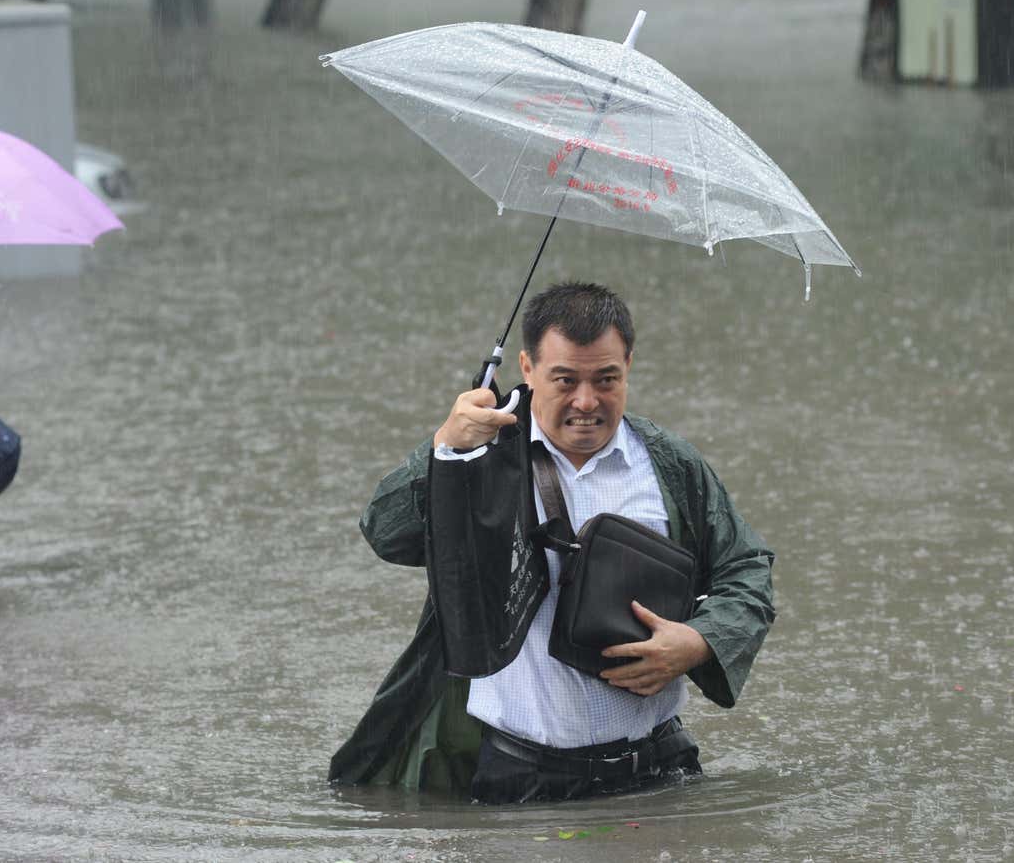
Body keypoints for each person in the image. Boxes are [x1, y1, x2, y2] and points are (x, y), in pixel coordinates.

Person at [329, 281, 775, 803]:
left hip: (660, 771)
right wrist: (443, 450)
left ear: (629, 364)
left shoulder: (670, 466)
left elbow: (747, 570)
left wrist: (697, 643)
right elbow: (385, 532)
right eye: (565, 380)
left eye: (606, 379)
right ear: (526, 367)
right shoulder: (479, 461)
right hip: (523, 778)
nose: (586, 401)